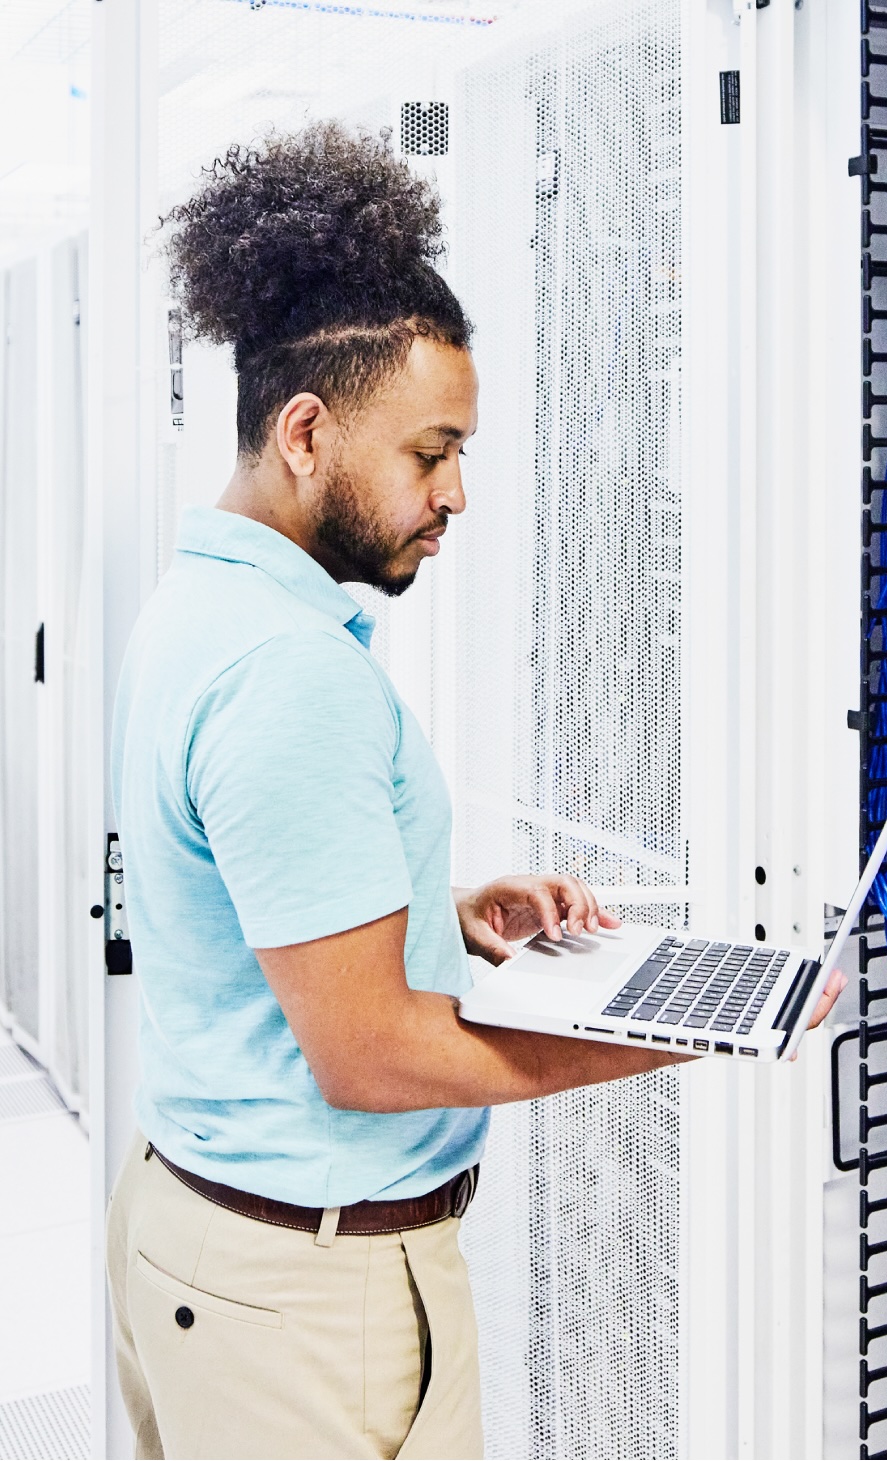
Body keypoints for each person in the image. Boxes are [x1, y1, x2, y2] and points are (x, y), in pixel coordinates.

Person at [106, 121, 844, 1461]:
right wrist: (701, 1027)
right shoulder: (284, 671)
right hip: (301, 1310)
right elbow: (372, 1049)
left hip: (213, 1250)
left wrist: (435, 908)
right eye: (429, 452)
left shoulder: (199, 605)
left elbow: (242, 886)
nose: (456, 493)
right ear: (308, 433)